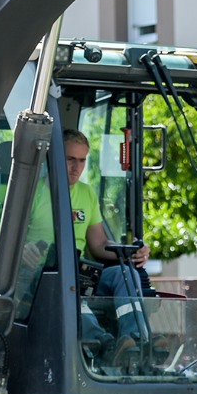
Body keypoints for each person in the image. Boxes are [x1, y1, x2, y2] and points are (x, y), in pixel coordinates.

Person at [63, 129, 155, 359]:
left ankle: (136, 339)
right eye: (70, 159)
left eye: (82, 160)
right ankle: (104, 344)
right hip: (46, 276)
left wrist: (131, 253)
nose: (77, 168)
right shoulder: (35, 191)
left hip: (78, 273)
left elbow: (99, 244)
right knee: (70, 288)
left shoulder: (87, 194)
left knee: (125, 273)